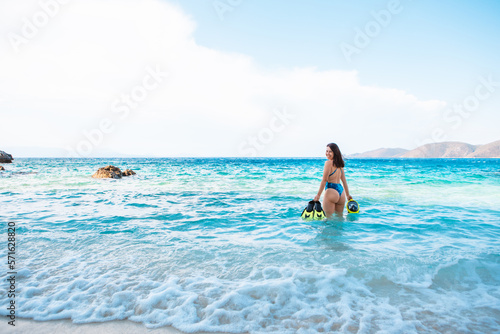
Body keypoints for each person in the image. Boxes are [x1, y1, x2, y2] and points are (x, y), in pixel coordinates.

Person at [313, 143, 352, 217]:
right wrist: (347, 195)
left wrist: (318, 195)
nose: (327, 153)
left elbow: (324, 180)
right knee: (340, 219)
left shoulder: (328, 163)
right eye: (326, 151)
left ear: (335, 152)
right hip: (341, 193)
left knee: (328, 219)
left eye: (330, 151)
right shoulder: (340, 165)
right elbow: (344, 181)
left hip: (331, 191)